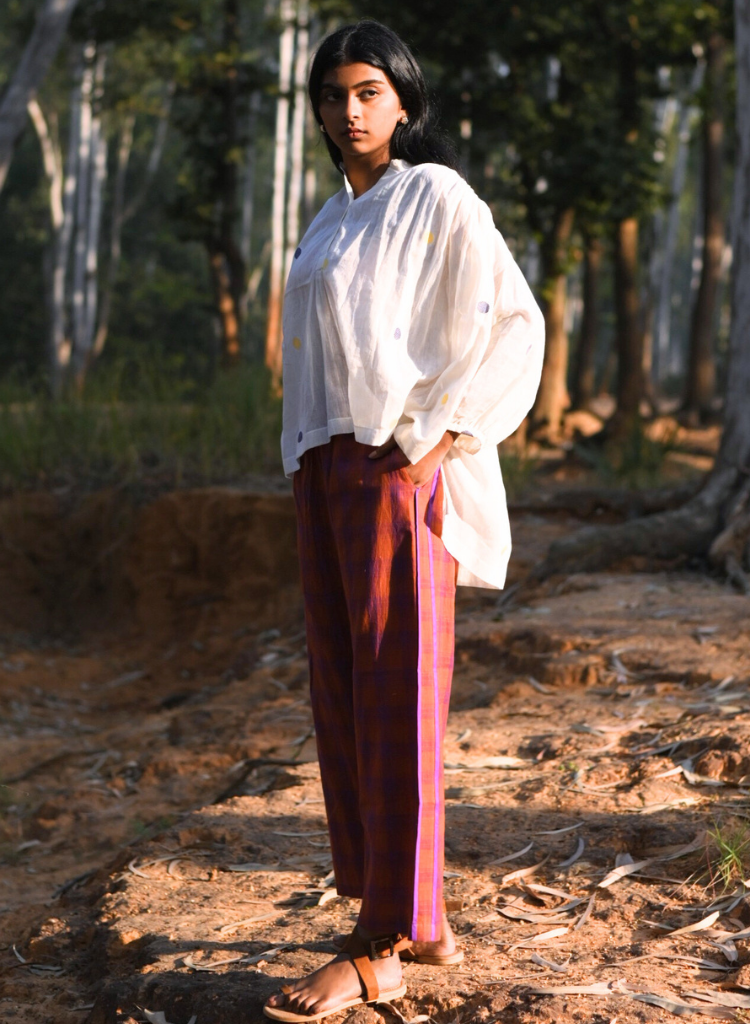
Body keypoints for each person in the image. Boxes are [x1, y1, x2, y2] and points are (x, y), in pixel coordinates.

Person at [264, 19, 544, 1023]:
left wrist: (439, 441)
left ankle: (380, 948)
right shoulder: (327, 221)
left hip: (395, 470)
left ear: (404, 102)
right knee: (344, 697)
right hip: (323, 470)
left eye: (369, 92)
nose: (351, 110)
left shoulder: (434, 196)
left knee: (399, 700)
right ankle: (418, 918)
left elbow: (515, 322)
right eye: (335, 94)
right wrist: (307, 459)